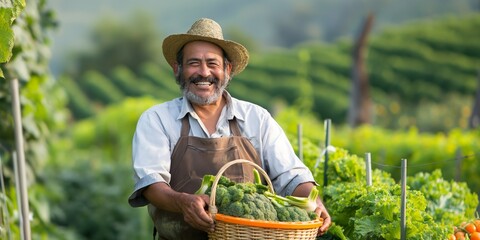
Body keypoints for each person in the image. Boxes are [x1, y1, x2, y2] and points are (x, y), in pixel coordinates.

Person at [128, 18, 331, 240]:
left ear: (227, 69)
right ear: (178, 69)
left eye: (212, 63)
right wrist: (182, 202)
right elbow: (151, 182)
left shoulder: (257, 118)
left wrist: (314, 203)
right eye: (193, 63)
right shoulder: (157, 119)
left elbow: (290, 175)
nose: (204, 72)